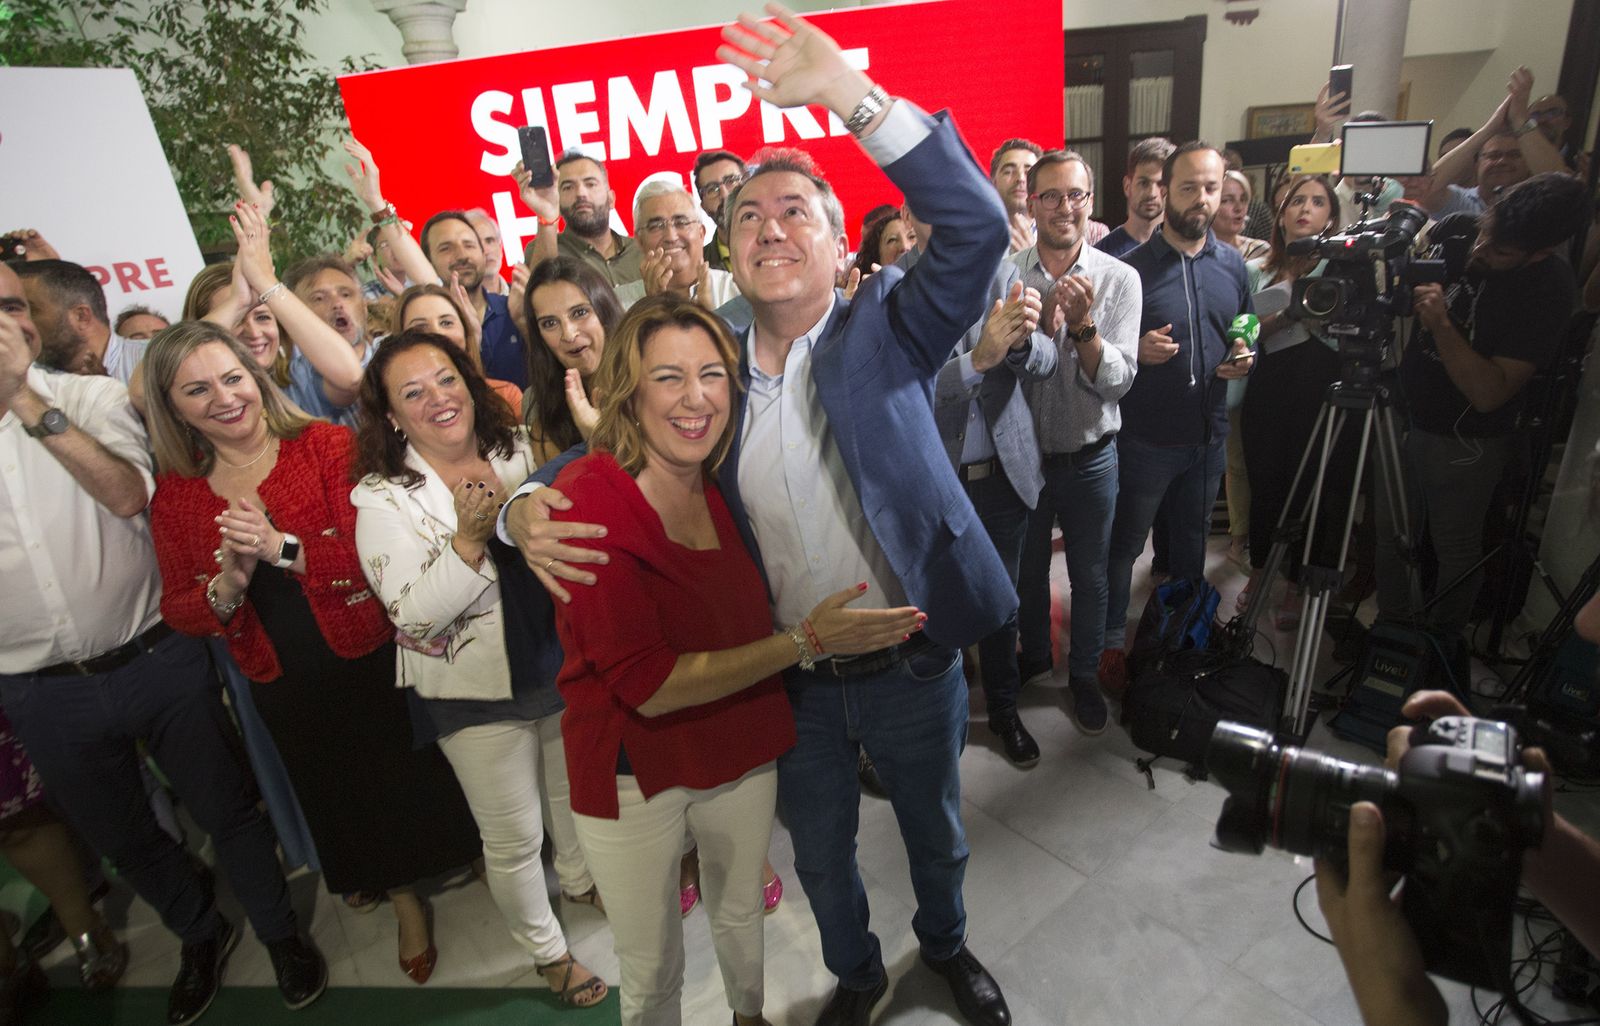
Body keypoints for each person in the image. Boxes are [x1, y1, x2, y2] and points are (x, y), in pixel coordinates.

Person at [506, 7, 1016, 1023]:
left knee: (936, 831)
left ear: (838, 241)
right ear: (725, 249)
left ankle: (947, 950)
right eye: (748, 216)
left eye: (795, 212)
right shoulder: (710, 364)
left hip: (913, 656)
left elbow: (978, 226)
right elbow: (610, 442)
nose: (771, 227)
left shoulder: (891, 327)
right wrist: (526, 505)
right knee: (821, 850)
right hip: (794, 675)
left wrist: (848, 95)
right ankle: (860, 977)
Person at [0, 261, 324, 1024]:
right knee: (122, 835)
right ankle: (198, 932)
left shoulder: (86, 399)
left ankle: (280, 933)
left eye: (14, 305)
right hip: (39, 690)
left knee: (226, 808)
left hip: (155, 655)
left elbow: (122, 494)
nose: (5, 322)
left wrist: (21, 398)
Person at [546, 297, 857, 1025]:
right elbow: (648, 687)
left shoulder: (723, 479)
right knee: (652, 966)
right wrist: (806, 642)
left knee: (740, 911)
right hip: (633, 766)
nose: (696, 398)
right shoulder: (586, 500)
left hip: (740, 736)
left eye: (712, 374)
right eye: (669, 377)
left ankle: (749, 1017)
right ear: (629, 390)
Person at [143, 322, 484, 986]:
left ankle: (466, 850)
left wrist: (280, 550)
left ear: (257, 374)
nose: (223, 398)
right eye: (197, 389)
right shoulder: (178, 495)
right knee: (344, 794)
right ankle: (404, 900)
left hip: (372, 654)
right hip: (281, 676)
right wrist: (227, 586)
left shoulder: (324, 445)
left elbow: (372, 562)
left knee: (417, 773)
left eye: (232, 378)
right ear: (171, 405)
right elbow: (180, 608)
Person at [350, 331, 606, 1008]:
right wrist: (467, 541)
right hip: (472, 692)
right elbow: (411, 618)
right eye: (413, 392)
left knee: (570, 797)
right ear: (391, 417)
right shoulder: (381, 499)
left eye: (445, 378)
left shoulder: (518, 447)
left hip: (556, 661)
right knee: (515, 836)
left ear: (469, 380)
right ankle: (548, 953)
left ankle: (580, 880)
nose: (438, 398)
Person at [1375, 173, 1586, 644]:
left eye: (1500, 250)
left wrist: (1442, 325)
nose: (1480, 250)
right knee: (1391, 535)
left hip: (1466, 439)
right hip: (1401, 412)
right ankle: (1390, 639)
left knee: (1455, 548)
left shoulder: (1549, 288)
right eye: (1486, 232)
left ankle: (1438, 649)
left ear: (1540, 251)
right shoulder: (1460, 228)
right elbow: (1400, 296)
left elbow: (1490, 392)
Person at [1100, 142, 1255, 692]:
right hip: (1144, 439)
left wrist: (1243, 352)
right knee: (1124, 548)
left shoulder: (1234, 265)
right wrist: (1134, 349)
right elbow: (1096, 351)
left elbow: (1245, 325)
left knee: (1192, 547)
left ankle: (1180, 634)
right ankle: (1111, 643)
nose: (1201, 199)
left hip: (1208, 436)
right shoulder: (1127, 271)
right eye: (1188, 187)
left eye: (1211, 187)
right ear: (1165, 191)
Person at [921, 192, 1055, 763]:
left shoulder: (1006, 277)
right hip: (936, 481)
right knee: (934, 604)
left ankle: (1003, 711)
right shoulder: (895, 294)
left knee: (1002, 604)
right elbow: (900, 395)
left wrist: (1022, 347)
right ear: (911, 219)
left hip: (1003, 476)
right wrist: (976, 361)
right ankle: (939, 720)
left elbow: (1048, 362)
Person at [1012, 149, 1142, 728]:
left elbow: (1117, 383)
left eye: (1076, 196)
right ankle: (1036, 656)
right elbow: (993, 374)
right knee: (1028, 570)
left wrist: (1084, 327)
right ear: (1032, 202)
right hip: (1025, 459)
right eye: (1052, 196)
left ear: (1090, 202)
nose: (1065, 208)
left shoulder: (1120, 278)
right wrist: (1035, 334)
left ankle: (1084, 674)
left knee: (1090, 575)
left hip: (1092, 456)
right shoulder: (1008, 275)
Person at [1234, 175, 1347, 628]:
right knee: (1267, 485)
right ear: (1280, 215)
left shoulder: (1342, 270)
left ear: (1332, 217)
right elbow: (1241, 329)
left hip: (1320, 390)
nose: (1305, 208)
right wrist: (1281, 317)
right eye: (1296, 201)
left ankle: (1299, 584)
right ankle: (1260, 572)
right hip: (1266, 389)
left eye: (1318, 202)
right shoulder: (1255, 269)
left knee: (1312, 488)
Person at [1420, 68, 1565, 219]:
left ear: (1528, 164)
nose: (1502, 161)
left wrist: (1520, 120)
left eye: (1514, 155)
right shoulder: (1462, 201)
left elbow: (1561, 187)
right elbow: (1426, 189)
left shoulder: (1537, 206)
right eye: (1493, 155)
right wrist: (1489, 128)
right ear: (1477, 164)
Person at [523, 256, 624, 463]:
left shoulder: (651, 381)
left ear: (604, 310)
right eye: (550, 323)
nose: (568, 334)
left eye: (580, 312)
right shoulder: (546, 426)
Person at [420, 210, 528, 387]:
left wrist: (524, 323)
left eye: (469, 245)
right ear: (429, 260)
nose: (462, 256)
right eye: (446, 248)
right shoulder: (428, 329)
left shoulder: (514, 308)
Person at [395, 280, 524, 412]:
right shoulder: (394, 409)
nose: (437, 333)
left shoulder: (505, 397)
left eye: (446, 323)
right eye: (420, 327)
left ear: (465, 331)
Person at [522, 151, 644, 288]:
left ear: (611, 199)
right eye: (568, 187)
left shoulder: (641, 249)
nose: (580, 193)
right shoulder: (547, 250)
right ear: (558, 201)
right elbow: (540, 297)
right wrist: (547, 214)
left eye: (590, 184)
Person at [15, 259, 147, 381]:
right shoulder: (21, 379)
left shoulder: (157, 360)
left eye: (30, 310)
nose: (16, 322)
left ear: (81, 317)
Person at [615, 183, 742, 310]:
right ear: (639, 241)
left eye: (682, 223)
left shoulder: (737, 291)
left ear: (701, 233)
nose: (671, 237)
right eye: (656, 226)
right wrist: (653, 306)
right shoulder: (616, 303)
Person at [1096, 137, 1175, 259]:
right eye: (1143, 183)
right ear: (1127, 186)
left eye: (1161, 184)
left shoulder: (1181, 251)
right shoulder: (1101, 255)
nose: (1152, 193)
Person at [692, 150, 748, 271]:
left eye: (732, 181)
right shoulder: (696, 268)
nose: (725, 195)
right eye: (712, 189)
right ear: (704, 207)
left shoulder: (787, 246)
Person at [1215, 170, 1270, 262]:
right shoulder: (1192, 254)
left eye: (1243, 199)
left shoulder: (1259, 252)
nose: (1239, 208)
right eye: (1227, 200)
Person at [849, 207, 918, 279]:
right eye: (892, 240)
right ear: (877, 257)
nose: (905, 247)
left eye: (912, 236)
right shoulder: (869, 288)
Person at [464, 207, 510, 295]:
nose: (486, 251)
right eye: (476, 244)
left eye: (489, 241)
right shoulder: (451, 305)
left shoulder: (524, 295)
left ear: (500, 247)